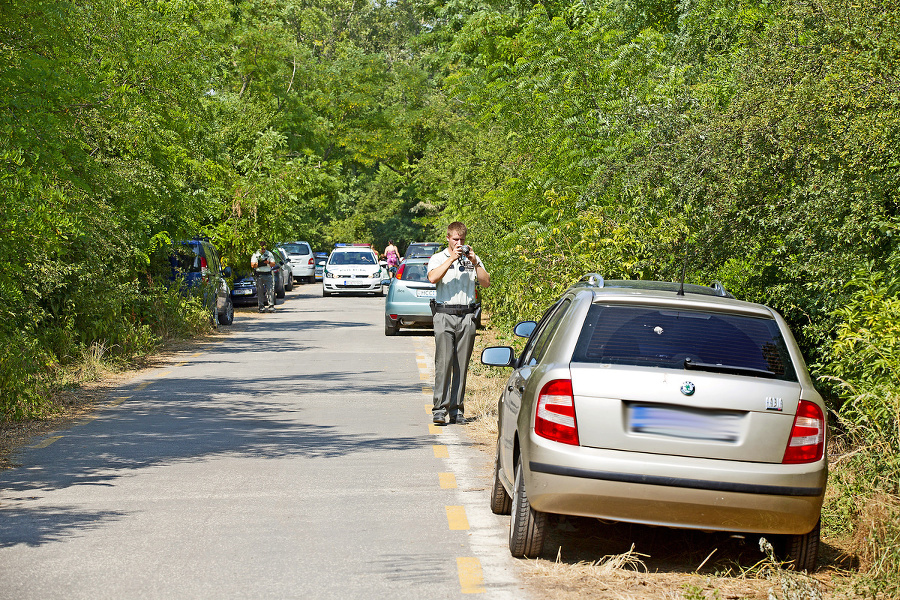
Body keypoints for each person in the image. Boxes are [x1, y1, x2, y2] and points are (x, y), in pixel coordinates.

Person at [427, 222, 490, 425]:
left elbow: (486, 282)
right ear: (448, 238)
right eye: (455, 239)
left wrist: (474, 262)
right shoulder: (438, 258)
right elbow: (432, 278)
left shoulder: (473, 258)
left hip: (467, 316)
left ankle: (456, 410)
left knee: (461, 365)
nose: (459, 243)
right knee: (443, 364)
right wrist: (452, 259)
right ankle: (439, 409)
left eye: (462, 239)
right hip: (444, 315)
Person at [251, 241, 277, 313]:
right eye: (261, 249)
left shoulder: (269, 254)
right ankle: (261, 307)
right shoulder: (256, 254)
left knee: (270, 290)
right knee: (260, 291)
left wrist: (268, 262)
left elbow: (273, 264)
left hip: (268, 274)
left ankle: (271, 306)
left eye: (264, 249)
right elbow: (252, 265)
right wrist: (258, 264)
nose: (263, 250)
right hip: (259, 274)